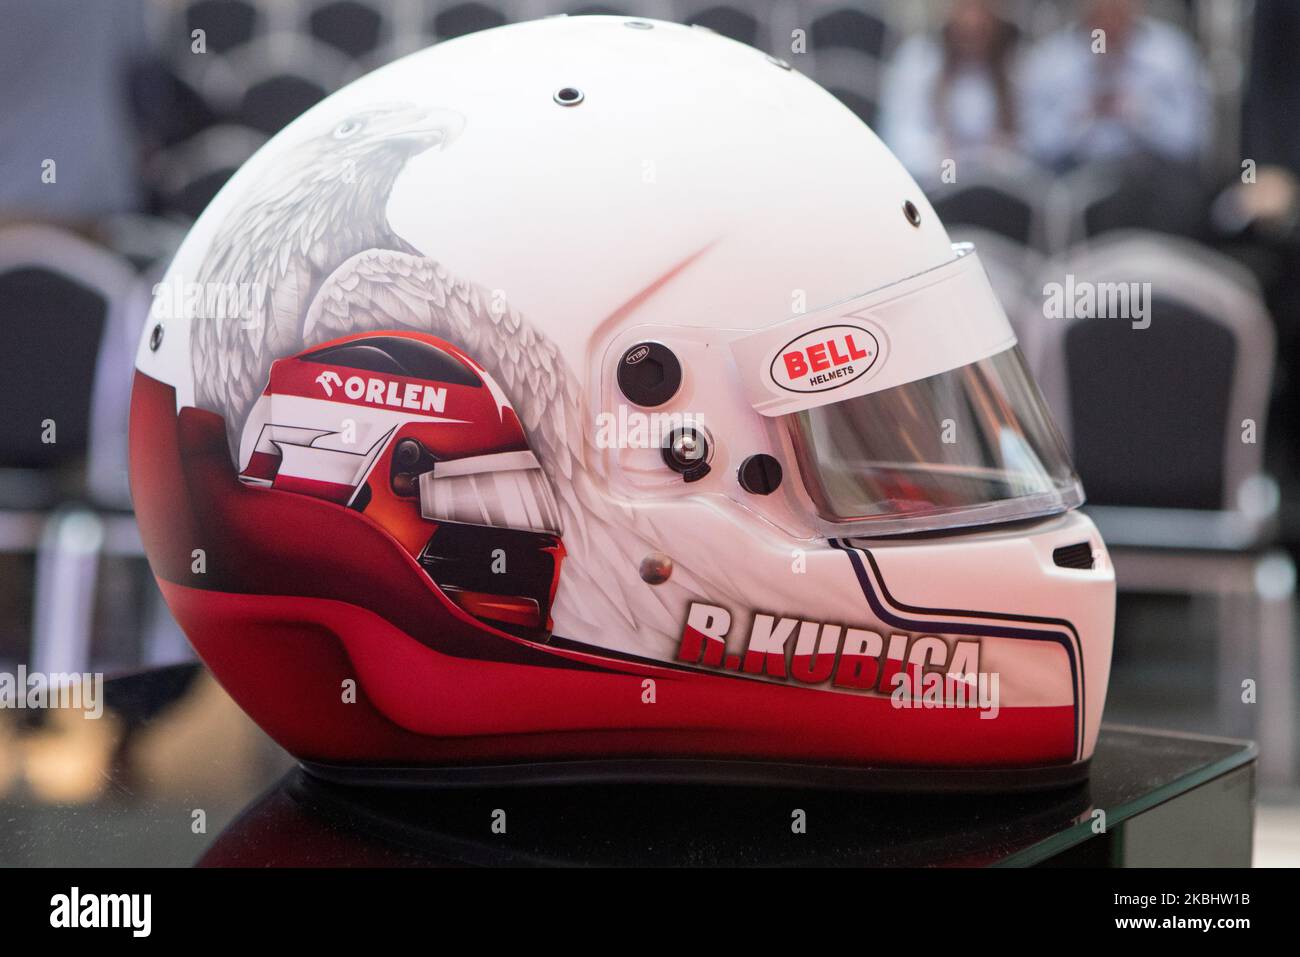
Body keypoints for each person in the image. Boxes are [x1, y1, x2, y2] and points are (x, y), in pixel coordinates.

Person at [1019, 0, 1207, 171]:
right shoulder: (1050, 60)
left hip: (1150, 174)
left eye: (1117, 13)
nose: (1109, 25)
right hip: (1072, 172)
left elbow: (1189, 143)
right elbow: (1035, 146)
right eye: (1100, 15)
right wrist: (1082, 115)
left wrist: (1140, 115)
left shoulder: (1170, 55)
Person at [878, 0, 1021, 181]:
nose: (972, 22)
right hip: (935, 182)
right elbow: (897, 141)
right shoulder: (919, 59)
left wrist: (997, 159)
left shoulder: (1016, 65)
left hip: (998, 187)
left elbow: (1037, 150)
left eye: (982, 10)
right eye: (965, 8)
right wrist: (944, 159)